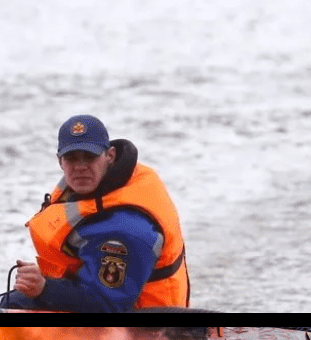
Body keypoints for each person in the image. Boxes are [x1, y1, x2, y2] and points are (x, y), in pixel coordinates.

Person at [10, 115, 189, 312]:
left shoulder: (127, 230)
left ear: (110, 156)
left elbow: (108, 305)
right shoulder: (99, 186)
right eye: (71, 158)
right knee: (13, 301)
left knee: (17, 303)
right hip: (91, 291)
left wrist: (44, 288)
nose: (80, 167)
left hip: (145, 332)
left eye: (89, 156)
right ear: (60, 161)